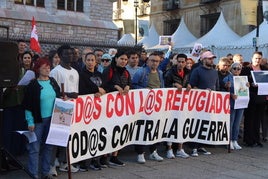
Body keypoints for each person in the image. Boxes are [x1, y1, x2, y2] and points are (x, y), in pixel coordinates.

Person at [22, 58, 60, 179]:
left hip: (52, 120)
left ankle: (45, 172)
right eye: (44, 67)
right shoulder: (33, 85)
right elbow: (27, 106)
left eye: (48, 67)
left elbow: (58, 97)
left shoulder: (53, 82)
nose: (47, 69)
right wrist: (30, 121)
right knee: (34, 148)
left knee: (49, 147)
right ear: (38, 69)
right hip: (38, 121)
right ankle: (33, 174)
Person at [50, 44, 79, 173]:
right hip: (60, 107)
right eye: (67, 54)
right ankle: (51, 165)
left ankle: (64, 162)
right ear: (61, 56)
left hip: (73, 107)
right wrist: (67, 95)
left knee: (68, 138)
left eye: (71, 53)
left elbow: (76, 92)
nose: (70, 55)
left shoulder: (75, 72)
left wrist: (73, 96)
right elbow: (52, 91)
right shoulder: (55, 71)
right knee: (57, 137)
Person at [132, 52, 165, 164]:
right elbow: (133, 85)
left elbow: (162, 88)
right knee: (142, 129)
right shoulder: (141, 72)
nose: (154, 63)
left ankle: (153, 151)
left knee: (155, 129)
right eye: (152, 60)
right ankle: (140, 153)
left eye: (157, 61)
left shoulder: (160, 73)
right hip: (143, 106)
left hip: (156, 106)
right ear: (147, 61)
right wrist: (144, 90)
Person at [101, 49, 131, 166]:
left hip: (122, 106)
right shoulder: (109, 70)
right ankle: (104, 157)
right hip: (109, 106)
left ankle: (115, 156)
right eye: (121, 59)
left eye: (125, 59)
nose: (123, 61)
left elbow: (129, 83)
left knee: (119, 131)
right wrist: (115, 86)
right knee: (108, 130)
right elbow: (104, 85)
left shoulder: (126, 72)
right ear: (116, 58)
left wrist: (128, 86)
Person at [79, 52, 106, 170]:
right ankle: (84, 162)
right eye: (88, 60)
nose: (90, 62)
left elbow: (105, 87)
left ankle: (95, 160)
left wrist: (101, 91)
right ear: (85, 61)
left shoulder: (100, 74)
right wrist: (95, 90)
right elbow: (82, 89)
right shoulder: (81, 74)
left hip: (100, 109)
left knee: (97, 134)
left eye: (92, 60)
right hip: (87, 109)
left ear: (96, 62)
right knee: (86, 134)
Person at [189, 50, 219, 157]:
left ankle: (201, 145)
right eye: (209, 58)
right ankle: (194, 147)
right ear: (203, 59)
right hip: (198, 102)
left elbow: (217, 86)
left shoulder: (215, 71)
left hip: (210, 102)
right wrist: (203, 91)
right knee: (197, 124)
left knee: (206, 124)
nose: (211, 60)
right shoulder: (197, 71)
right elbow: (192, 85)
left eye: (212, 58)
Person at [164, 53, 191, 159]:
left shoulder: (188, 72)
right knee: (170, 125)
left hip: (183, 102)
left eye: (182, 62)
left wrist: (189, 85)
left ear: (185, 62)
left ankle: (180, 149)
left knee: (182, 124)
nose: (180, 64)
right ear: (176, 61)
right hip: (171, 103)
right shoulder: (170, 72)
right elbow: (165, 86)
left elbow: (190, 83)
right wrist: (174, 85)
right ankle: (169, 149)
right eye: (179, 61)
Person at [240, 51, 268, 147]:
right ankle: (248, 139)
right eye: (256, 58)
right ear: (252, 58)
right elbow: (242, 82)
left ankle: (257, 139)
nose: (257, 60)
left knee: (258, 118)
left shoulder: (264, 69)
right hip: (251, 96)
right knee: (249, 118)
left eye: (259, 58)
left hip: (261, 97)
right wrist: (249, 84)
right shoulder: (246, 70)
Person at [223, 62, 249, 150]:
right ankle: (229, 140)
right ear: (231, 69)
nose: (237, 70)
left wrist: (247, 86)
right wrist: (230, 94)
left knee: (237, 123)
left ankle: (235, 140)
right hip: (231, 103)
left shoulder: (243, 79)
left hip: (240, 103)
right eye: (235, 68)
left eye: (239, 69)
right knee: (231, 122)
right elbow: (223, 90)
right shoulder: (227, 78)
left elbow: (244, 91)